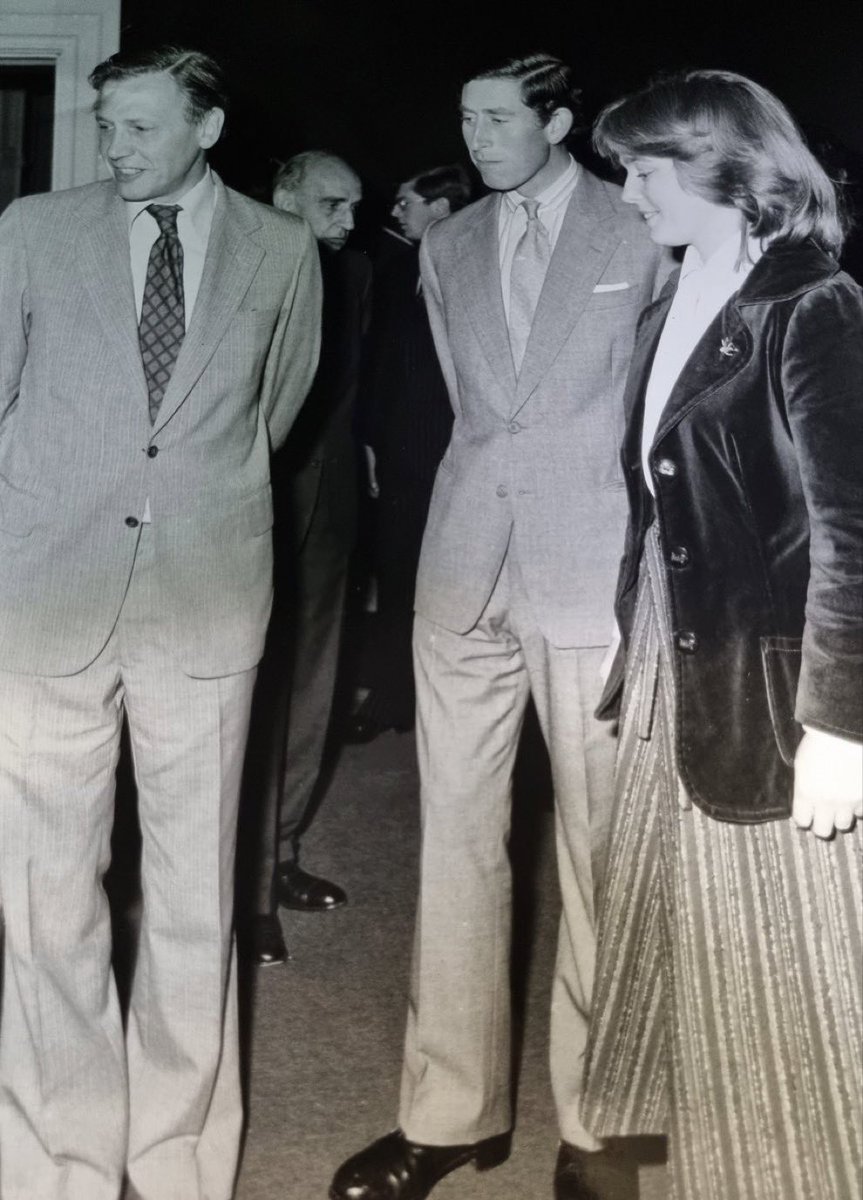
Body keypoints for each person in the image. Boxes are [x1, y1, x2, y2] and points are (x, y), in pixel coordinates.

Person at [331, 52, 671, 1200]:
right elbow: (463, 412)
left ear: (559, 119)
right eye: (462, 119)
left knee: (595, 855)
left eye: (495, 118)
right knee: (457, 844)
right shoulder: (447, 244)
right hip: (462, 571)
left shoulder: (639, 228)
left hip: (591, 574)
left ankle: (597, 1127)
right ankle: (445, 1114)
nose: (474, 139)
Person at [0, 45, 321, 1200]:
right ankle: (59, 1160)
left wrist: (177, 501)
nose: (114, 147)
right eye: (106, 124)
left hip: (202, 597)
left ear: (207, 124)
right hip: (46, 597)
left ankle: (176, 1154)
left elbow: (271, 413)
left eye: (139, 125)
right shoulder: (32, 231)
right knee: (46, 899)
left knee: (194, 894)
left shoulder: (282, 252)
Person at [579, 69, 863, 1200]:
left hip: (770, 682)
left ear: (724, 168)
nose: (629, 192)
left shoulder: (814, 305)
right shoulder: (675, 297)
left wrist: (840, 724)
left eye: (645, 171)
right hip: (671, 659)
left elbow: (851, 526)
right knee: (688, 953)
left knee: (779, 979)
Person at [241, 151, 371, 966]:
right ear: (283, 194)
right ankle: (241, 889)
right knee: (250, 688)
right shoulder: (242, 256)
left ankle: (278, 855)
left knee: (313, 682)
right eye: (331, 204)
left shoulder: (353, 274)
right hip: (250, 499)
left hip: (329, 504)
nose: (348, 222)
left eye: (355, 207)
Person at [347, 163, 472, 744]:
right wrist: (370, 439)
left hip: (458, 457)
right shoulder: (395, 271)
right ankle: (394, 698)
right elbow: (376, 362)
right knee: (397, 580)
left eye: (407, 203)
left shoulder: (475, 269)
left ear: (441, 209)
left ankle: (450, 711)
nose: (396, 213)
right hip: (399, 458)